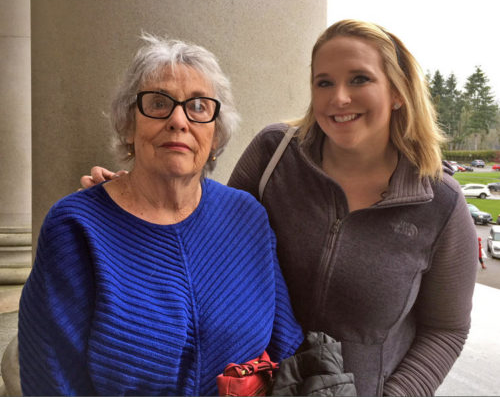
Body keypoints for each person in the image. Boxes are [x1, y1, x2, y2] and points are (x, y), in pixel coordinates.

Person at [81, 20, 478, 396]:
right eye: (324, 82)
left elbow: (446, 330)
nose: (339, 97)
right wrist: (135, 194)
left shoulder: (439, 202)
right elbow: (210, 225)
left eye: (359, 79)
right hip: (256, 383)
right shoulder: (275, 152)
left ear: (397, 92)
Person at [18, 35, 303, 396]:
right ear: (128, 125)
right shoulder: (76, 227)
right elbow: (51, 375)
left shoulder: (247, 219)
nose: (178, 120)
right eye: (158, 103)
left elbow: (287, 346)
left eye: (199, 106)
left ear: (215, 135)